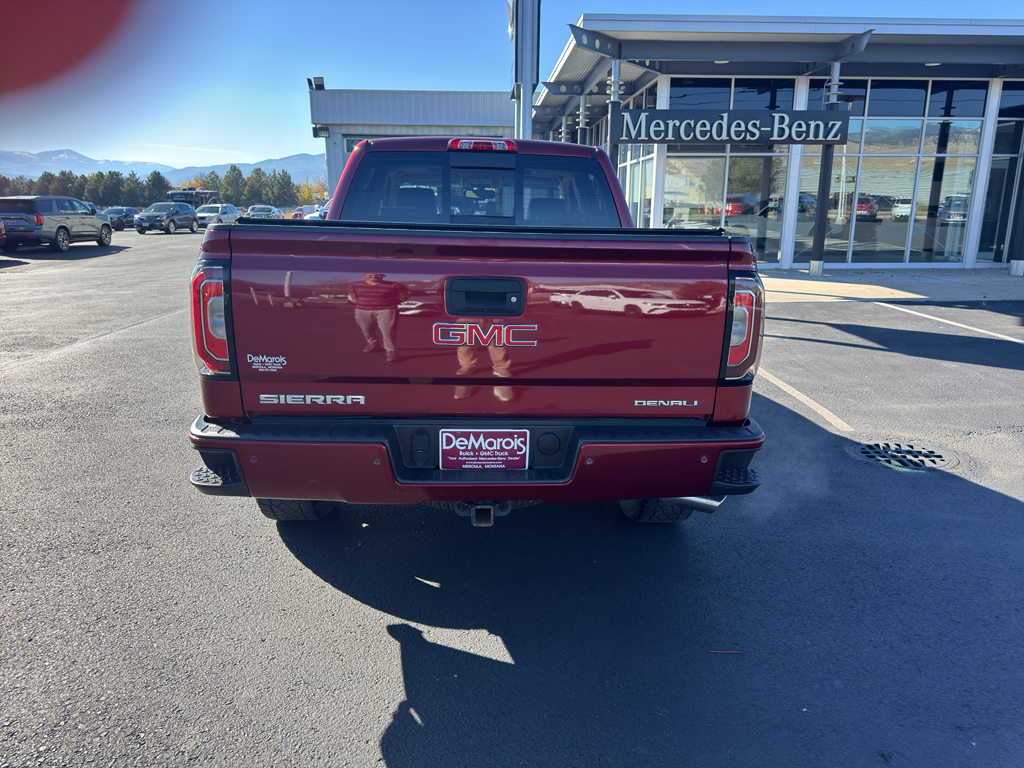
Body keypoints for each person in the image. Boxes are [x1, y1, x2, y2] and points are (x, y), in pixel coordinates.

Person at [348, 273, 408, 362]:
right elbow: (353, 296)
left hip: (386, 310)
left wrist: (390, 304)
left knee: (388, 330)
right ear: (365, 275)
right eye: (370, 275)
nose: (374, 277)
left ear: (383, 275)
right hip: (362, 310)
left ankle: (391, 350)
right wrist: (363, 303)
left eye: (378, 275)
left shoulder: (395, 285)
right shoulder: (354, 285)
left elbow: (403, 297)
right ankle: (373, 343)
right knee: (366, 328)